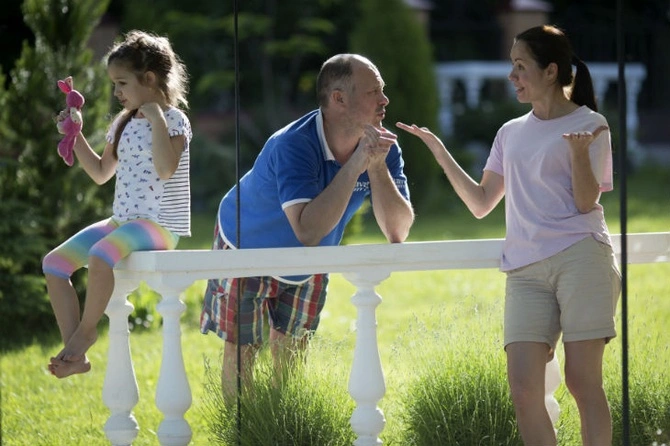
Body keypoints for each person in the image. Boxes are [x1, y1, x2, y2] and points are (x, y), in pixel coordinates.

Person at [397, 25, 621, 446]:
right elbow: (482, 203)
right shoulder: (510, 132)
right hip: (525, 270)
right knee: (522, 389)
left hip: (581, 257)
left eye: (520, 66)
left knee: (582, 380)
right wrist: (439, 151)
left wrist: (578, 154)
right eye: (511, 65)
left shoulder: (591, 124)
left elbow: (586, 202)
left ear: (550, 71)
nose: (512, 75)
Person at [200, 53, 415, 400]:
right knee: (243, 350)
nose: (385, 99)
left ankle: (282, 423)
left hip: (310, 258)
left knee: (293, 351)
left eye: (382, 90)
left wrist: (376, 167)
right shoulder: (294, 143)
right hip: (246, 243)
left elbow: (398, 230)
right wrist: (357, 163)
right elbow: (308, 230)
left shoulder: (383, 147)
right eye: (373, 91)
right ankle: (244, 428)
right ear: (339, 99)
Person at [42, 30, 192, 379]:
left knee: (100, 255)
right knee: (54, 264)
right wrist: (75, 135)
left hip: (159, 225)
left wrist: (156, 119)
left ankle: (87, 331)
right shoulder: (123, 123)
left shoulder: (174, 120)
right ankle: (74, 354)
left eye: (122, 83)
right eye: (114, 84)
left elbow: (166, 169)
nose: (116, 92)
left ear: (149, 79)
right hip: (123, 221)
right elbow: (100, 172)